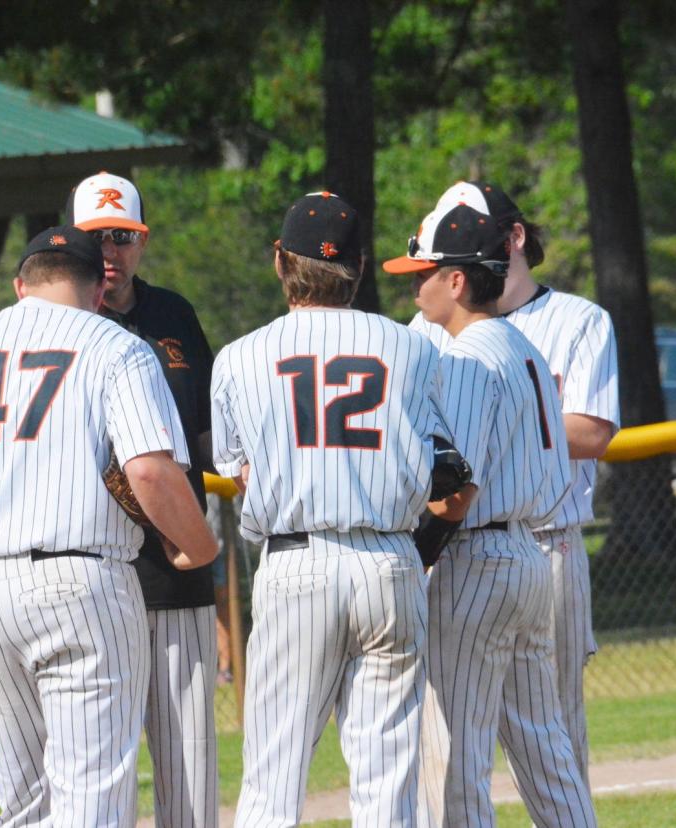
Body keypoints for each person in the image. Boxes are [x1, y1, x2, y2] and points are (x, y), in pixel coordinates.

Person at [0, 225, 218, 826]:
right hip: (81, 585)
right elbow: (152, 473)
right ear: (97, 291)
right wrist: (199, 547)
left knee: (25, 801)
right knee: (93, 797)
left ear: (19, 285)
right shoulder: (116, 345)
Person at [212, 191, 456, 827]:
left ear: (279, 261)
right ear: (363, 265)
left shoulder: (239, 357)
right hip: (390, 560)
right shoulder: (414, 347)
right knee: (388, 776)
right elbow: (445, 464)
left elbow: (236, 470)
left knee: (274, 770)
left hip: (296, 561)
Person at [385, 190, 597, 826]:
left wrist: (417, 555)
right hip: (530, 554)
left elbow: (458, 487)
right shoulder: (522, 345)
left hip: (478, 562)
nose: (415, 285)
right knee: (543, 746)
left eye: (423, 273)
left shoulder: (468, 357)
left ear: (456, 279)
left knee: (455, 751)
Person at [69, 170, 220, 827]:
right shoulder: (62, 326)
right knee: (101, 764)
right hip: (94, 572)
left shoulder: (174, 316)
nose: (111, 250)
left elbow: (209, 432)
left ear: (142, 241)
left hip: (176, 568)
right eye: (97, 237)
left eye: (123, 236)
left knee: (189, 757)